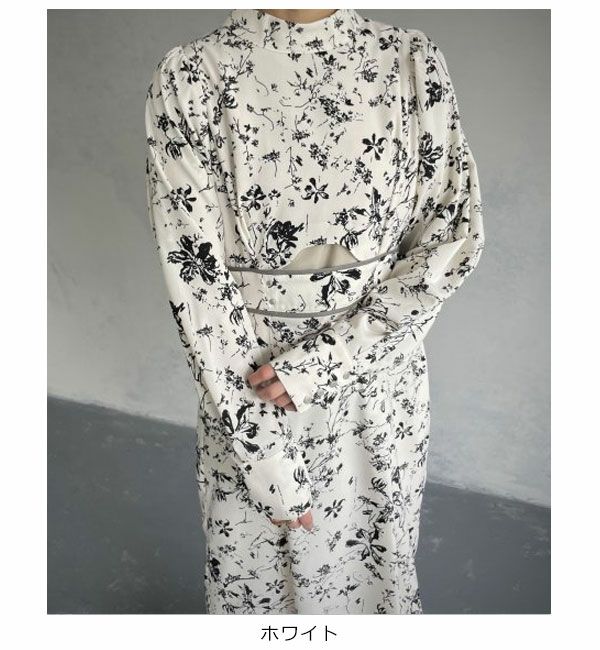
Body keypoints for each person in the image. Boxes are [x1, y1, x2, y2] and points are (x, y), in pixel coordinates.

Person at [144, 7, 484, 614]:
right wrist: (262, 452)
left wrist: (327, 360)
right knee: (258, 587)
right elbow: (196, 281)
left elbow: (450, 239)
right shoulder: (192, 74)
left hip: (378, 388)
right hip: (248, 388)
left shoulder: (410, 61)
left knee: (373, 578)